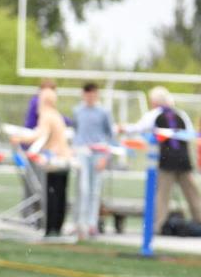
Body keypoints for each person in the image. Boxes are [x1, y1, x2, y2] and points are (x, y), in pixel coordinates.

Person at [120, 86, 201, 234]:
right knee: (192, 194)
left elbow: (138, 128)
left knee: (162, 195)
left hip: (167, 160)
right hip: (183, 159)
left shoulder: (154, 115)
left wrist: (122, 129)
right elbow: (190, 134)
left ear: (155, 102)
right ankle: (198, 219)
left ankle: (156, 226)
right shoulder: (181, 114)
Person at [12, 87, 74, 237]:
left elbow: (40, 135)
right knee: (60, 194)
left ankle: (50, 229)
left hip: (54, 161)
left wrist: (19, 139)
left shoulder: (46, 115)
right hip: (64, 159)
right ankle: (57, 228)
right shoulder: (57, 115)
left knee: (51, 195)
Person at [71, 82, 114, 238]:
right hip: (82, 152)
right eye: (87, 94)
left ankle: (91, 224)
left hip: (98, 153)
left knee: (94, 190)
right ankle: (79, 223)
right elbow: (76, 131)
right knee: (82, 188)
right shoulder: (77, 111)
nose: (90, 97)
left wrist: (105, 157)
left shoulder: (104, 112)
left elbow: (110, 135)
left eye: (93, 94)